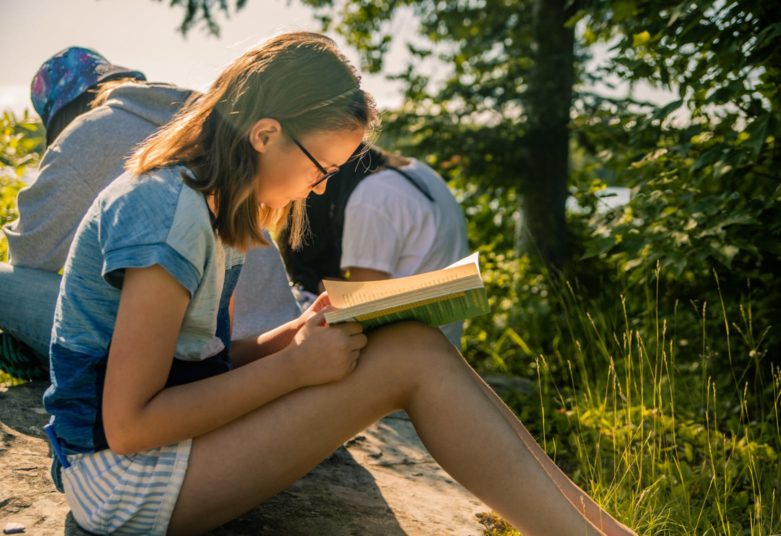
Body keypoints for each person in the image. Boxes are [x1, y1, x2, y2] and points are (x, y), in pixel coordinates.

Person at [41, 32, 635, 535]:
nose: (321, 187)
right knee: (411, 360)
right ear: (266, 134)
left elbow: (196, 364)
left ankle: (604, 530)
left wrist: (293, 336)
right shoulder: (164, 213)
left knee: (415, 345)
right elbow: (130, 424)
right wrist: (294, 369)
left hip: (152, 460)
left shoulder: (205, 208)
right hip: (120, 482)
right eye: (321, 167)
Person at [0, 46, 300, 378]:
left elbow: (29, 256)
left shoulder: (88, 129)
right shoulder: (197, 117)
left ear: (61, 113)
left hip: (198, 353)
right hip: (273, 337)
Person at [278, 144, 468, 347]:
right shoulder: (417, 170)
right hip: (445, 343)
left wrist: (317, 285)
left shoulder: (371, 198)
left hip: (404, 352)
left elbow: (365, 306)